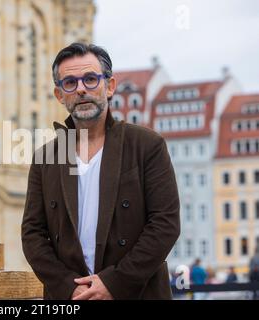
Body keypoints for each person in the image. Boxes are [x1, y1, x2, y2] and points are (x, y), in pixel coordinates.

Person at [21, 43, 180, 300]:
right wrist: (67, 286)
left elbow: (165, 224)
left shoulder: (146, 145)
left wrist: (114, 283)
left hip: (135, 293)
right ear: (60, 94)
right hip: (71, 297)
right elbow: (32, 234)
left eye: (91, 79)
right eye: (70, 82)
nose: (81, 88)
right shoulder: (46, 157)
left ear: (109, 86)